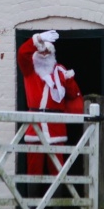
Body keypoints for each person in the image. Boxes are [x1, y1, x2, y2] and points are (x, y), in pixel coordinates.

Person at [16, 30, 84, 178]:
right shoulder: (30, 69)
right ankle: (32, 195)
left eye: (48, 51)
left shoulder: (60, 71)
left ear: (52, 53)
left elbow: (73, 95)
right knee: (34, 170)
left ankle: (57, 194)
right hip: (35, 125)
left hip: (55, 126)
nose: (44, 54)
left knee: (57, 169)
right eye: (41, 51)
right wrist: (38, 39)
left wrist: (69, 80)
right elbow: (22, 53)